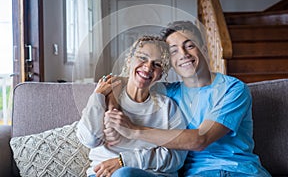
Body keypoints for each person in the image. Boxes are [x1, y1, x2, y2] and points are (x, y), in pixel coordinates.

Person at [104, 21, 271, 177]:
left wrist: (133, 130)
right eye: (173, 50)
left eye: (190, 46)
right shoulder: (168, 92)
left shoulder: (232, 89)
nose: (183, 54)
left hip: (238, 170)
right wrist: (112, 113)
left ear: (204, 50)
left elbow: (201, 139)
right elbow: (117, 82)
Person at [76, 35, 187, 177]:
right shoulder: (105, 97)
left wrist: (125, 161)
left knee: (125, 174)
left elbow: (176, 158)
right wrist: (97, 95)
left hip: (148, 174)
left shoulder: (167, 107)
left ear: (161, 74)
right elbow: (90, 139)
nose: (148, 67)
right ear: (129, 60)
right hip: (100, 174)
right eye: (142, 58)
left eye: (157, 64)